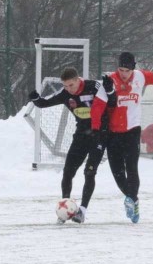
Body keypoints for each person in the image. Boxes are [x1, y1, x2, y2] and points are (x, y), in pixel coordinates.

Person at [91, 52, 153, 224]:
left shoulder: (140, 77)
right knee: (117, 172)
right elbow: (97, 108)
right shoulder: (109, 81)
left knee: (132, 167)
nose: (123, 73)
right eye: (120, 69)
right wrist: (96, 131)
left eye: (127, 70)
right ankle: (132, 199)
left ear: (133, 68)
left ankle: (132, 201)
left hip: (132, 131)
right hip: (113, 134)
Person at [29, 67, 115, 224]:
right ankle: (65, 208)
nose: (69, 89)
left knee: (89, 172)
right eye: (65, 86)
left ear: (78, 80)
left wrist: (110, 90)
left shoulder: (93, 86)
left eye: (71, 85)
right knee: (68, 171)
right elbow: (44, 103)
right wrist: (35, 99)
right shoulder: (65, 94)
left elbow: (113, 101)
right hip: (81, 135)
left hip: (99, 134)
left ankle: (82, 211)